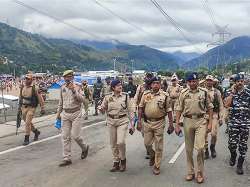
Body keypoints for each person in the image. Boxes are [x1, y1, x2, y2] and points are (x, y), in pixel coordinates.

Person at [175, 72, 213, 184]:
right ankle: (190, 172)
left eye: (194, 81)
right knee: (189, 149)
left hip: (201, 121)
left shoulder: (204, 92)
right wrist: (177, 124)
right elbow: (178, 108)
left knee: (200, 148)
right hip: (188, 121)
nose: (193, 83)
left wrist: (210, 123)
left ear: (198, 81)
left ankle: (200, 172)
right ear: (187, 82)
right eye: (190, 81)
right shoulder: (183, 93)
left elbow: (210, 107)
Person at [137, 76, 173, 175]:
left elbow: (169, 110)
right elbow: (140, 108)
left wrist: (171, 124)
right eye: (154, 83)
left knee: (159, 146)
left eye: (157, 83)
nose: (156, 85)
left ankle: (157, 165)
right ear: (151, 85)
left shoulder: (165, 95)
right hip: (147, 122)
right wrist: (139, 121)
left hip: (159, 122)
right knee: (147, 144)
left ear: (160, 84)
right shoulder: (145, 94)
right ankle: (152, 155)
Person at [98, 79, 134, 172]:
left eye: (120, 85)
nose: (120, 86)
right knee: (113, 143)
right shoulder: (107, 97)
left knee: (120, 142)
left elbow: (130, 111)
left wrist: (132, 124)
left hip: (122, 120)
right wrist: (100, 108)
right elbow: (103, 109)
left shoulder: (125, 96)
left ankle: (123, 160)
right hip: (111, 121)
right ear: (113, 88)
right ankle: (116, 162)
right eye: (118, 85)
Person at [56, 70, 89, 167]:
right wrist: (58, 114)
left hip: (76, 113)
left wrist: (74, 91)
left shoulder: (78, 86)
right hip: (65, 114)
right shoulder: (62, 88)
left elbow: (83, 100)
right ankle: (67, 158)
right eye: (65, 77)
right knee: (65, 136)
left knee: (76, 136)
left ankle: (84, 148)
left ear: (72, 77)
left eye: (68, 77)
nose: (66, 79)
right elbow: (60, 102)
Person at [224, 74, 250, 175]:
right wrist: (232, 93)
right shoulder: (229, 92)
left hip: (245, 122)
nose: (240, 83)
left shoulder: (248, 93)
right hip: (233, 122)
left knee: (243, 145)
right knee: (232, 144)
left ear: (244, 82)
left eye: (241, 81)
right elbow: (226, 105)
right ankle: (233, 154)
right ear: (235, 82)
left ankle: (240, 164)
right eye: (238, 81)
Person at [20, 73, 45, 146]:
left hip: (32, 107)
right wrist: (19, 107)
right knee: (28, 122)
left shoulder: (35, 88)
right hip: (24, 107)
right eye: (26, 78)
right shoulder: (23, 87)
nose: (26, 80)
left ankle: (26, 138)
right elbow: (20, 97)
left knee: (28, 122)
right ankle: (36, 132)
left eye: (28, 79)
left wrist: (42, 108)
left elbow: (40, 98)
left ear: (31, 80)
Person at [134, 72, 154, 159]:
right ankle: (149, 149)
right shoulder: (141, 87)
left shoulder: (155, 86)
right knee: (144, 134)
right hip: (142, 114)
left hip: (153, 114)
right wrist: (134, 106)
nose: (148, 79)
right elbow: (136, 97)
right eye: (147, 77)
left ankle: (151, 149)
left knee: (153, 134)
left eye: (150, 77)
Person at [204, 75, 224, 159]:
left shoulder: (217, 92)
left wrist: (221, 117)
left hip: (214, 115)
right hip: (204, 115)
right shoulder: (202, 91)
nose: (209, 82)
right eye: (207, 80)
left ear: (213, 82)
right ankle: (206, 150)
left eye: (210, 80)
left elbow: (220, 105)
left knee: (213, 134)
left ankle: (212, 147)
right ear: (205, 81)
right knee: (204, 134)